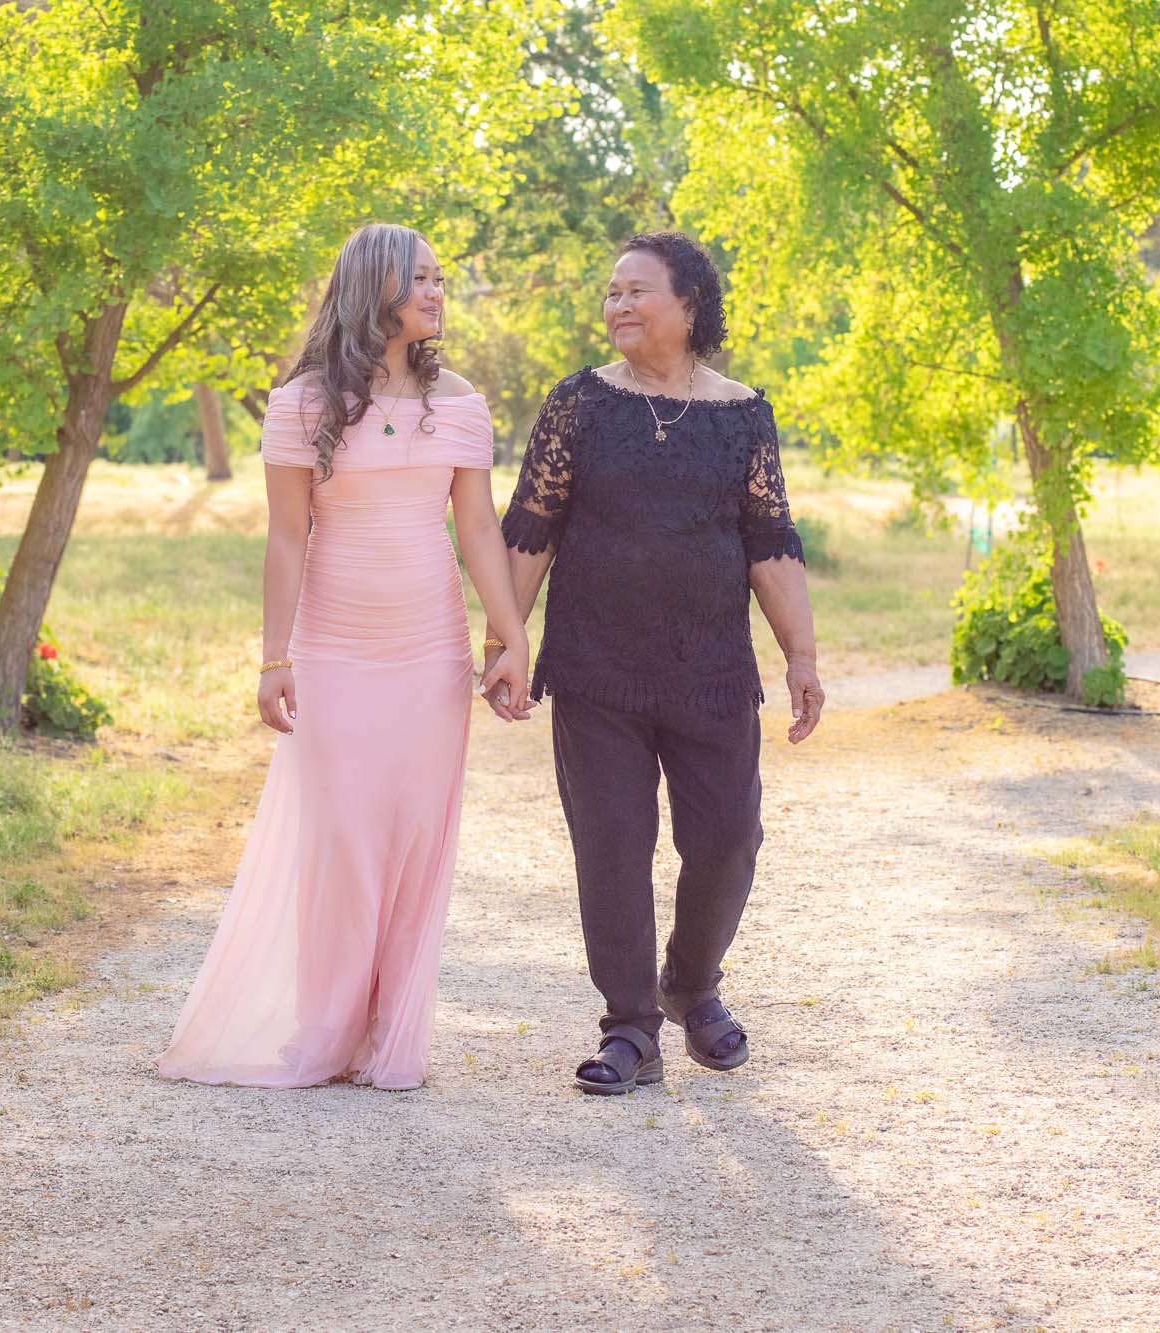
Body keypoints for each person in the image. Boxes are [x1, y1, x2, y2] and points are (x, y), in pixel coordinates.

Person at [157, 222, 532, 1092]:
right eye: (421, 279)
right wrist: (274, 658)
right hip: (333, 649)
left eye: (441, 278)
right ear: (375, 288)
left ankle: (393, 1034)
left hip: (429, 649)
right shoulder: (299, 404)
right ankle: (326, 1030)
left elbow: (478, 528)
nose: (438, 292)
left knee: (415, 836)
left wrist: (510, 632)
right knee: (343, 839)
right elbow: (287, 536)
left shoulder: (461, 403)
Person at [492, 230, 823, 1095]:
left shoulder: (742, 413)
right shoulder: (579, 403)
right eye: (612, 292)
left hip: (711, 668)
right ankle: (631, 1026)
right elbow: (531, 528)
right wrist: (504, 641)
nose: (619, 304)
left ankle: (691, 984)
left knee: (728, 838)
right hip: (596, 664)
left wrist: (801, 654)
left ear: (689, 303)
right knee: (612, 844)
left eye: (637, 290)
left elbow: (770, 539)